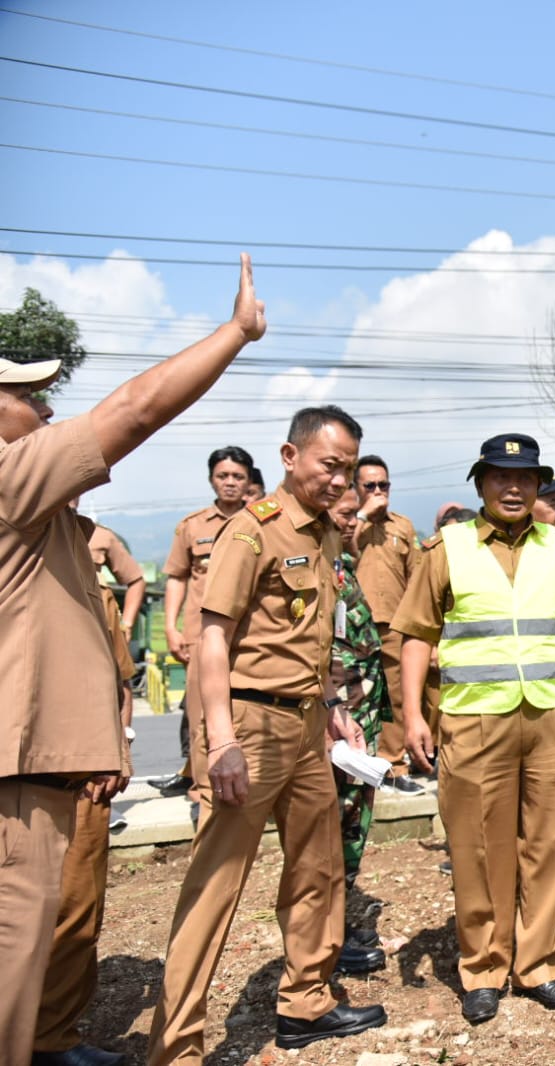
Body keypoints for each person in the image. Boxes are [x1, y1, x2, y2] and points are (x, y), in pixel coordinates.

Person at [0, 253, 266, 1066]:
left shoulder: (52, 521)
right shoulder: (8, 480)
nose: (47, 407)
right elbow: (137, 409)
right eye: (26, 392)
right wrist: (235, 333)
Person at [147, 405, 387, 1064]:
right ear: (289, 456)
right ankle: (175, 1048)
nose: (339, 480)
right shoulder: (252, 534)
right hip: (249, 726)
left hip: (309, 725)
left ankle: (307, 1001)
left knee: (319, 868)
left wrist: (333, 703)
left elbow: (310, 635)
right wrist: (220, 739)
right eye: (328, 465)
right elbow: (212, 637)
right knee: (214, 889)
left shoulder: (325, 535)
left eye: (347, 469)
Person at [394, 433, 555, 1024]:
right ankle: (484, 969)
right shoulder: (447, 548)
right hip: (474, 719)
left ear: (538, 485)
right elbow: (416, 635)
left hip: (548, 715)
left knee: (549, 844)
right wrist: (413, 713)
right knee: (478, 847)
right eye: (499, 477)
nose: (512, 487)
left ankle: (540, 964)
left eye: (524, 478)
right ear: (480, 484)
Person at [32, 568, 137, 1066]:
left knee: (77, 909)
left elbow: (119, 680)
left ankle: (51, 1037)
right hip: (17, 768)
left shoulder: (89, 582)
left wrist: (118, 745)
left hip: (83, 773)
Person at [154, 444, 255, 799]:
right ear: (211, 479)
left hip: (251, 640)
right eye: (223, 476)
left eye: (237, 477)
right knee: (200, 717)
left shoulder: (263, 522)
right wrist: (171, 627)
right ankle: (203, 791)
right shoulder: (192, 526)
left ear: (249, 481)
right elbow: (177, 577)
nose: (230, 483)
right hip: (202, 637)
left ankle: (254, 789)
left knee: (249, 716)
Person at [327, 486, 395, 969]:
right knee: (336, 828)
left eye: (356, 514)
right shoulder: (319, 569)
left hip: (359, 715)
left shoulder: (342, 565)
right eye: (344, 513)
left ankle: (335, 927)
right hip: (337, 717)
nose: (352, 520)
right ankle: (328, 939)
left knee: (351, 825)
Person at [351, 453, 424, 793]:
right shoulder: (345, 523)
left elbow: (417, 578)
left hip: (395, 625)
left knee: (395, 697)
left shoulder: (402, 526)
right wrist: (362, 515)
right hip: (352, 628)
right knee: (353, 697)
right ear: (356, 488)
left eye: (384, 484)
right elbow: (340, 554)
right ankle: (354, 768)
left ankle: (394, 766)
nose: (379, 490)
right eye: (370, 485)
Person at [84, 514, 147, 634]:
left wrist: (126, 625)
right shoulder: (39, 530)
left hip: (93, 627)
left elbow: (136, 580)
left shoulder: (100, 535)